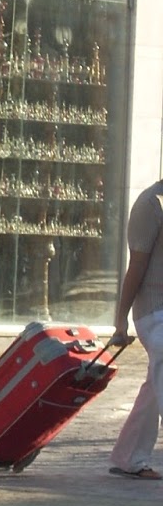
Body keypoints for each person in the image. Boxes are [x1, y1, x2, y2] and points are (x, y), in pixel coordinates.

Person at [108, 177, 163, 480]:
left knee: (154, 388)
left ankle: (129, 456)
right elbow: (137, 266)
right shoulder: (150, 204)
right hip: (155, 313)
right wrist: (121, 320)